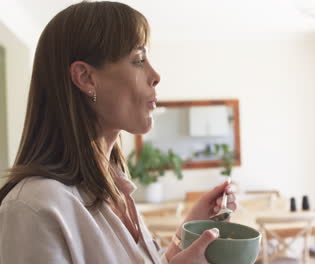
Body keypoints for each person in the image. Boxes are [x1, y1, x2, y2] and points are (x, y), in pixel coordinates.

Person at [0, 1, 237, 263]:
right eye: (138, 60)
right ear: (86, 78)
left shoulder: (116, 189)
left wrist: (189, 232)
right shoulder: (33, 207)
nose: (156, 75)